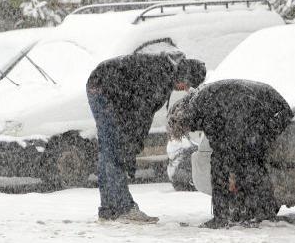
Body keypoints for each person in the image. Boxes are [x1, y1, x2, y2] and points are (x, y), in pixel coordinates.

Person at [86, 38, 206, 223]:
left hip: (105, 86)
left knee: (110, 150)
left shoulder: (167, 72)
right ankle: (124, 209)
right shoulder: (161, 78)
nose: (183, 89)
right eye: (187, 85)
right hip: (104, 89)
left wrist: (132, 144)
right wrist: (132, 145)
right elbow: (140, 115)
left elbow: (139, 112)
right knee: (113, 151)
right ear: (185, 76)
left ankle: (109, 209)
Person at [167, 79, 293, 228]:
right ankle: (257, 211)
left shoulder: (204, 108)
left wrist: (229, 176)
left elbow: (221, 150)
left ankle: (229, 216)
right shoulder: (203, 100)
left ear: (185, 120)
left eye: (187, 129)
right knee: (246, 160)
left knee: (236, 163)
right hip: (270, 108)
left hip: (267, 113)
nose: (191, 131)